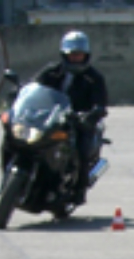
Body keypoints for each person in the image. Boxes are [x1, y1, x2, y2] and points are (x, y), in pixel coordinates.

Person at [34, 31, 108, 204]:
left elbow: (101, 103)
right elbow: (34, 87)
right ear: (64, 55)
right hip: (50, 118)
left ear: (86, 55)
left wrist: (94, 113)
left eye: (79, 55)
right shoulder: (52, 72)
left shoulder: (94, 78)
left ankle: (80, 189)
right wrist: (20, 94)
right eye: (72, 55)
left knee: (81, 150)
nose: (76, 58)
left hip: (79, 123)